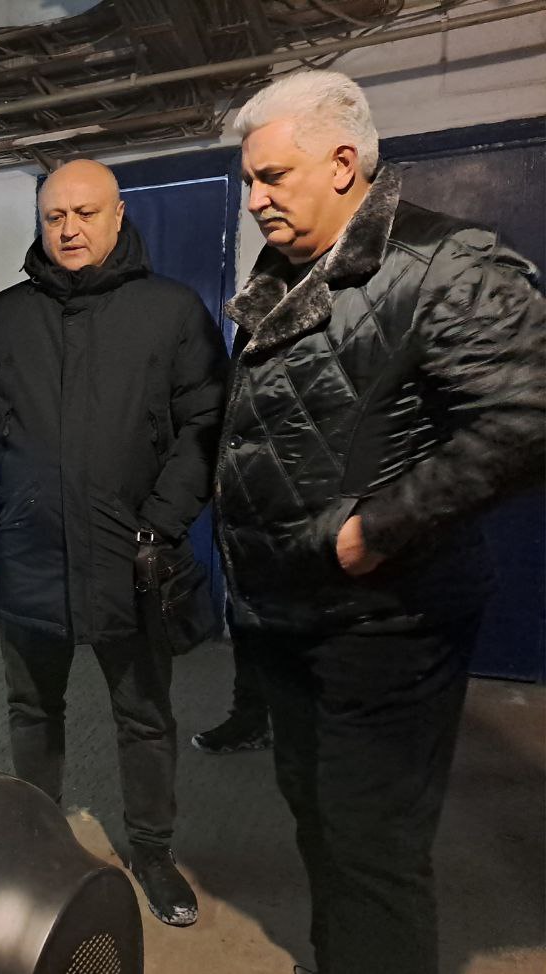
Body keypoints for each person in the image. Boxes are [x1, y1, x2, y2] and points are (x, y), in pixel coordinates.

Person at [218, 70, 544, 974]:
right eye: (250, 181)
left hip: (384, 622)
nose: (256, 199)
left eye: (273, 177)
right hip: (289, 612)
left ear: (343, 163)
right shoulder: (285, 273)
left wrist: (378, 530)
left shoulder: (445, 263)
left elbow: (530, 415)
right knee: (317, 816)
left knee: (373, 847)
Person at [0, 158, 226, 926]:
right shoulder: (2, 318)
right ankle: (37, 838)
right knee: (32, 709)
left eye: (86, 213)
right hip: (31, 554)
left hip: (134, 559)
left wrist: (161, 521)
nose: (69, 229)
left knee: (145, 716)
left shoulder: (171, 312)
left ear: (118, 216)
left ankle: (152, 852)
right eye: (55, 215)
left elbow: (208, 424)